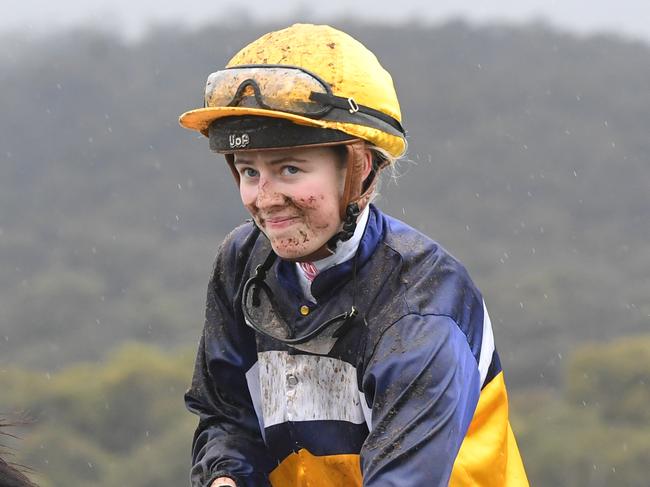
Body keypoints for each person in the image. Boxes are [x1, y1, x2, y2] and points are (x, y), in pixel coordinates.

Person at [179, 23, 528, 487]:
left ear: (359, 168)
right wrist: (225, 478)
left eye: (289, 169)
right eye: (248, 171)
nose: (264, 197)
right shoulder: (242, 263)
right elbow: (226, 415)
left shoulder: (422, 305)